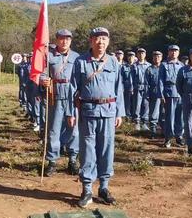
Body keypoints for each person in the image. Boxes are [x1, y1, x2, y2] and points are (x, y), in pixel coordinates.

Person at [68, 27, 125, 208]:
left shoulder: (113, 61)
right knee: (87, 150)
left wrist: (119, 112)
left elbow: (119, 88)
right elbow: (72, 88)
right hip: (88, 111)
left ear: (108, 42)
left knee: (106, 150)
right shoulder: (80, 61)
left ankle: (104, 187)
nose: (101, 42)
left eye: (104, 39)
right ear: (91, 41)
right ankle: (87, 189)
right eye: (97, 39)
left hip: (108, 111)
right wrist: (71, 112)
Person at [40, 29, 80, 176]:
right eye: (62, 39)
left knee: (74, 129)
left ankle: (72, 159)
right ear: (57, 40)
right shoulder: (48, 56)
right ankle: (52, 161)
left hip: (72, 96)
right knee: (53, 130)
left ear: (71, 41)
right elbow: (41, 74)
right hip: (54, 95)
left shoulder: (77, 57)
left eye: (68, 39)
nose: (65, 42)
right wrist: (43, 81)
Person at [158, 44, 184, 148]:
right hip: (169, 92)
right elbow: (160, 80)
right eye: (171, 51)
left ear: (178, 53)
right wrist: (161, 95)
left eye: (176, 51)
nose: (173, 52)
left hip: (180, 94)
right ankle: (168, 138)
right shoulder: (164, 65)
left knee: (180, 117)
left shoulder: (182, 65)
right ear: (168, 52)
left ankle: (179, 137)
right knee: (169, 117)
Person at [145, 51, 163, 138]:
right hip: (154, 92)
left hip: (164, 93)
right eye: (155, 57)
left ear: (161, 58)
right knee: (153, 113)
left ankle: (164, 131)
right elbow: (146, 83)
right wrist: (147, 94)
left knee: (163, 113)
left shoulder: (164, 67)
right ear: (153, 58)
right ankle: (153, 131)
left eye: (159, 57)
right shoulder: (149, 69)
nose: (157, 58)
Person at [132, 48, 151, 131]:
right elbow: (131, 78)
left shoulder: (149, 65)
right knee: (137, 105)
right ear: (137, 55)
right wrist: (131, 88)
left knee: (146, 105)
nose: (141, 55)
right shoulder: (134, 65)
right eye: (139, 53)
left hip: (146, 88)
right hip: (137, 87)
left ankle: (145, 123)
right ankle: (137, 122)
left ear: (145, 54)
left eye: (142, 53)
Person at [121, 51, 135, 121]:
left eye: (132, 56)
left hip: (136, 88)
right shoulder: (124, 67)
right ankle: (128, 117)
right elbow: (121, 79)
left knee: (135, 103)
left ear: (134, 57)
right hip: (126, 87)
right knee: (127, 103)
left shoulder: (136, 66)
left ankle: (134, 117)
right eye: (129, 56)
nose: (130, 58)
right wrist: (122, 88)